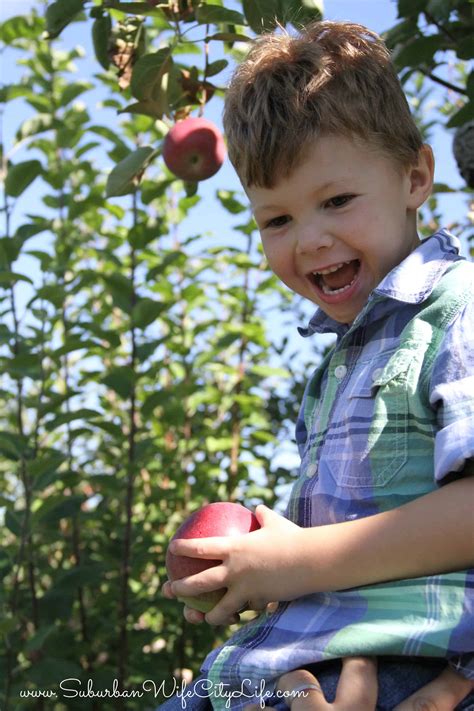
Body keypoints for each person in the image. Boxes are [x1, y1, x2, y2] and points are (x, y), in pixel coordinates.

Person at [161, 20, 474, 711]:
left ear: (415, 176)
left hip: (396, 667)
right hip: (288, 664)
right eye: (276, 220)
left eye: (336, 201)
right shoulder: (337, 366)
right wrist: (253, 565)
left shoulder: (459, 307)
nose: (310, 240)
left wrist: (296, 561)